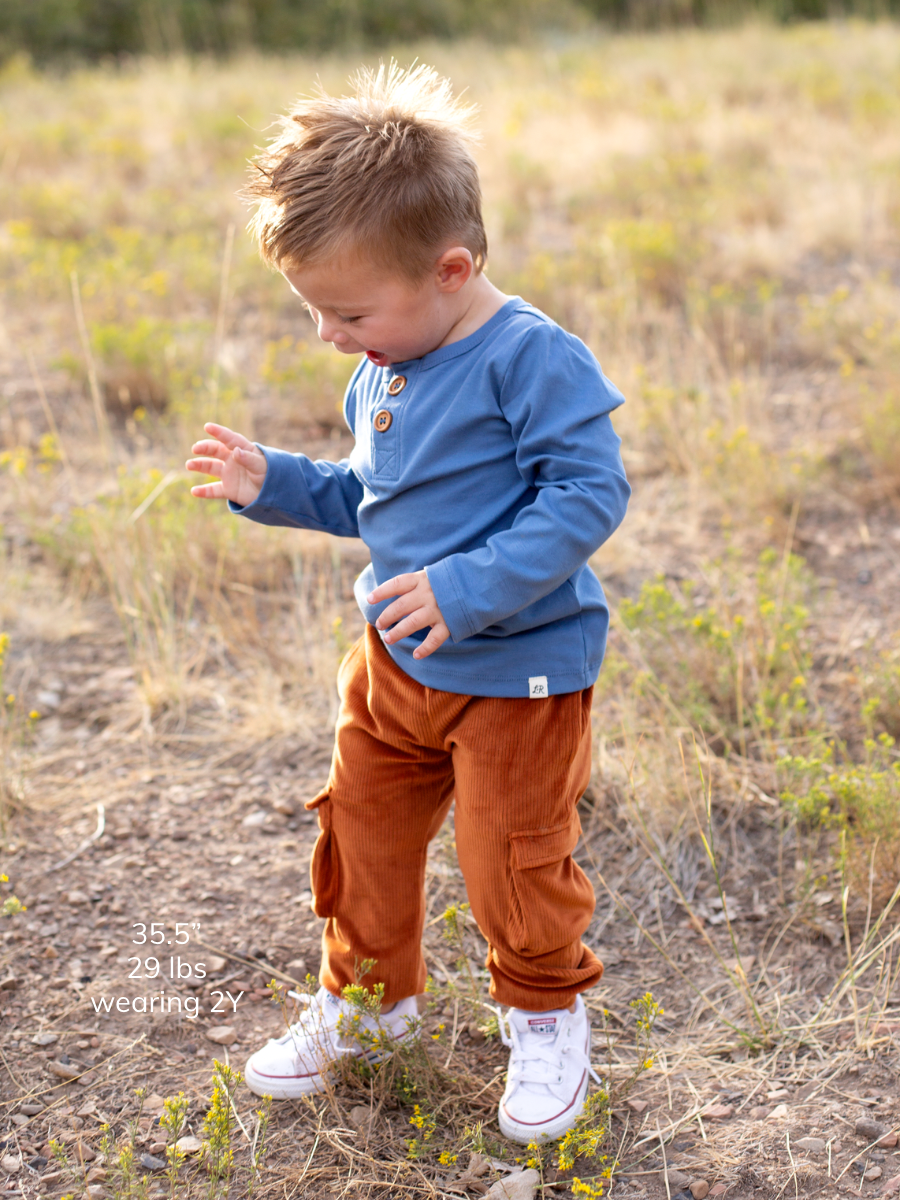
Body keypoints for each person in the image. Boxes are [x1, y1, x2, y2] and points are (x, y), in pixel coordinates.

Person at [186, 62, 630, 1144]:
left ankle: (543, 1016)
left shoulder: (528, 357)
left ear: (450, 268)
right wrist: (278, 484)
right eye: (316, 313)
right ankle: (369, 1005)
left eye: (346, 312)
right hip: (392, 663)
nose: (330, 337)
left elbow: (589, 492)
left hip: (517, 674)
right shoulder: (387, 360)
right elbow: (373, 497)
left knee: (511, 858)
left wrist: (471, 587)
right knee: (365, 836)